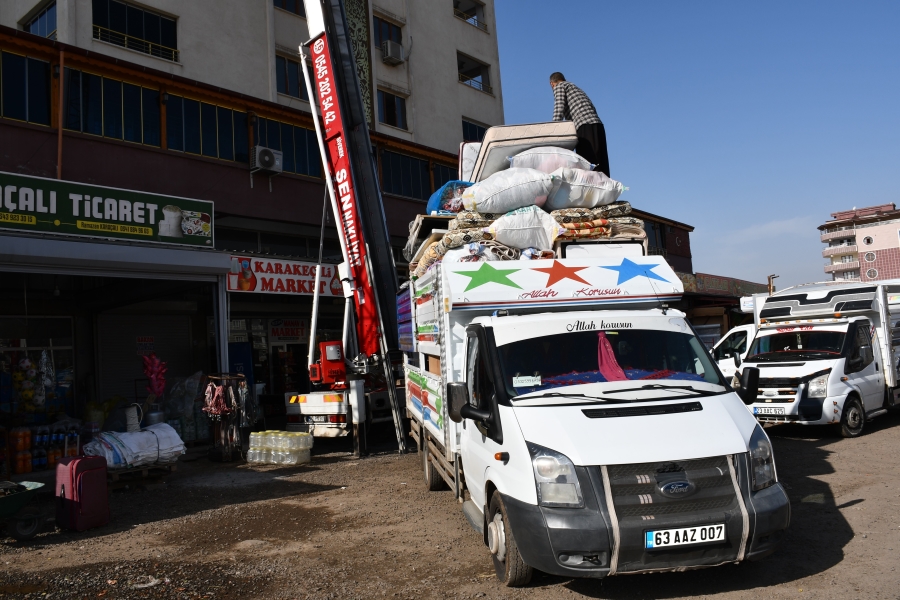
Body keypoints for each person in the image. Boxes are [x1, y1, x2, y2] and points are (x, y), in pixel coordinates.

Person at [550, 72, 610, 178]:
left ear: (552, 84)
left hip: (584, 126)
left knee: (588, 164)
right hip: (597, 125)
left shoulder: (560, 86)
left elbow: (559, 108)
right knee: (601, 166)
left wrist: (553, 131)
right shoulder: (575, 88)